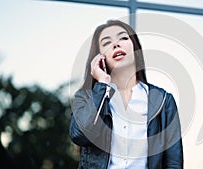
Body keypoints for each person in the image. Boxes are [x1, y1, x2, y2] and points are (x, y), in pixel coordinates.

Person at [69, 20, 183, 169]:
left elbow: (173, 163)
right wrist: (102, 84)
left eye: (123, 38)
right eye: (106, 42)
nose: (116, 44)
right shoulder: (87, 97)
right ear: (99, 57)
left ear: (135, 47)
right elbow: (79, 135)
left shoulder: (163, 101)